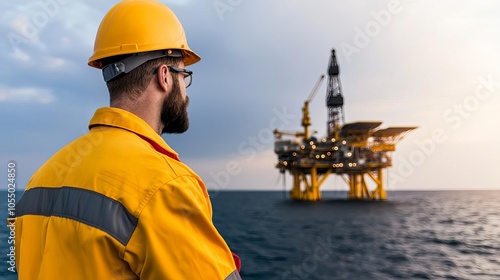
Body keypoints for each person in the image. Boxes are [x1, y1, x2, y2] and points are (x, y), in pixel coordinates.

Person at [15, 0, 242, 279]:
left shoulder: (39, 181)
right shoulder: (164, 187)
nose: (186, 92)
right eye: (184, 75)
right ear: (165, 77)